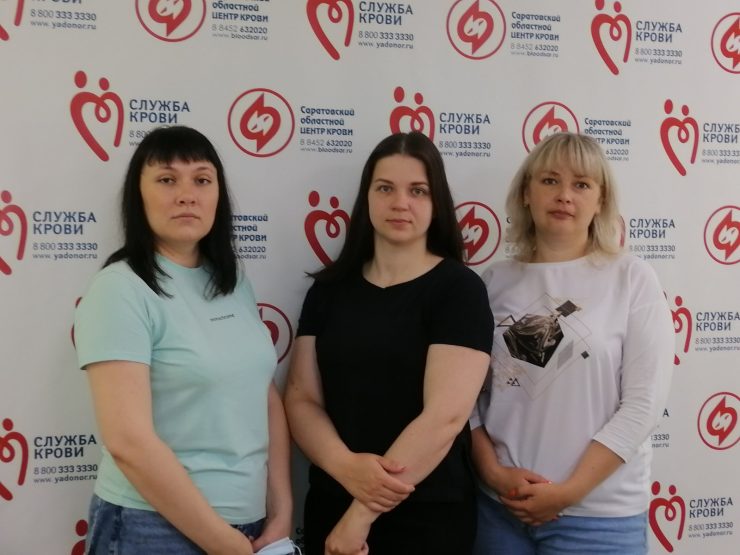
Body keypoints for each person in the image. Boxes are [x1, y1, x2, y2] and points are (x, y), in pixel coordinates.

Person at [74, 126, 292, 554]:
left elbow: (263, 397)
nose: (187, 195)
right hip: (150, 526)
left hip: (249, 526)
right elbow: (128, 441)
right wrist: (222, 541)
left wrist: (282, 508)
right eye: (167, 179)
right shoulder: (120, 289)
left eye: (202, 180)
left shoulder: (232, 284)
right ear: (138, 196)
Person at [285, 131, 494, 555]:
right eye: (385, 188)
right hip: (332, 502)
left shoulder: (459, 290)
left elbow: (445, 417)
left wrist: (360, 517)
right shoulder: (328, 291)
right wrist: (346, 467)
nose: (400, 203)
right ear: (367, 198)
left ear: (436, 203)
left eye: (418, 190)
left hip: (426, 518)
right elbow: (302, 398)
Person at [471, 132, 674, 555]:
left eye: (581, 184)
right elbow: (467, 400)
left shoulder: (632, 278)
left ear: (601, 201)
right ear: (526, 193)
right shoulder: (492, 282)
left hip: (599, 518)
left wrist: (568, 492)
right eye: (550, 180)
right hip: (499, 512)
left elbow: (644, 404)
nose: (564, 195)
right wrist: (492, 473)